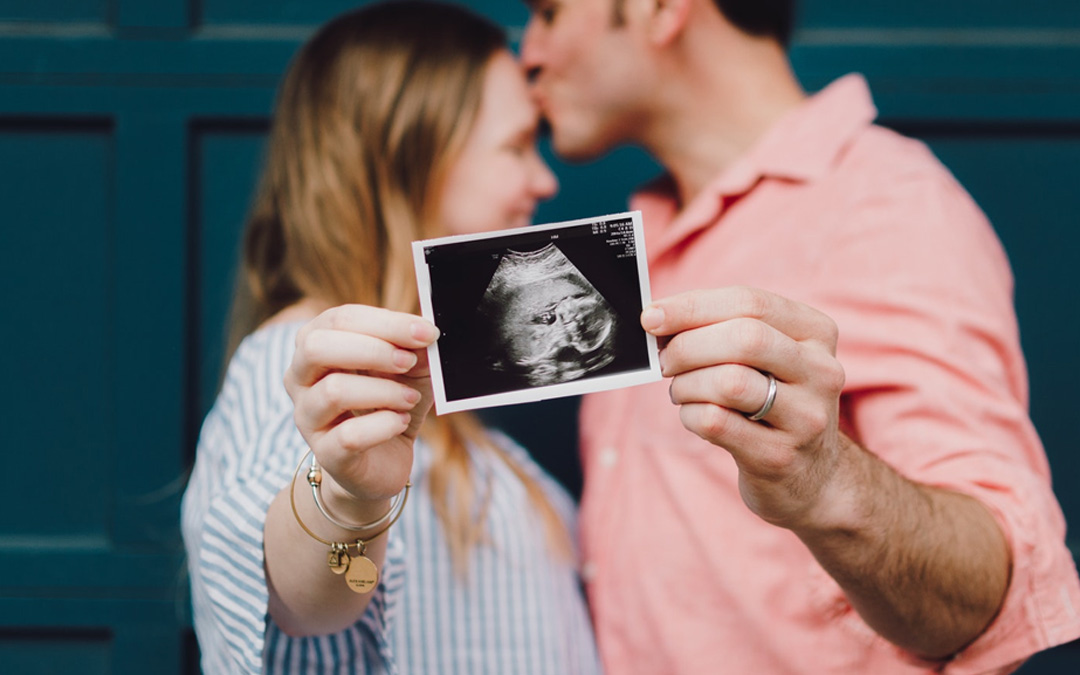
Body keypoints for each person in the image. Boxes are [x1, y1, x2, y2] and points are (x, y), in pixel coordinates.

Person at [520, 0, 1080, 673]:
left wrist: (822, 481)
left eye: (550, 12)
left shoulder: (884, 205)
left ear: (659, 8)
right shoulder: (641, 233)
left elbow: (988, 595)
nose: (530, 52)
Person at [180, 3, 601, 673]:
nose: (544, 180)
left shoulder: (450, 413)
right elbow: (298, 598)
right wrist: (349, 497)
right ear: (409, 155)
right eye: (516, 145)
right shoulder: (302, 370)